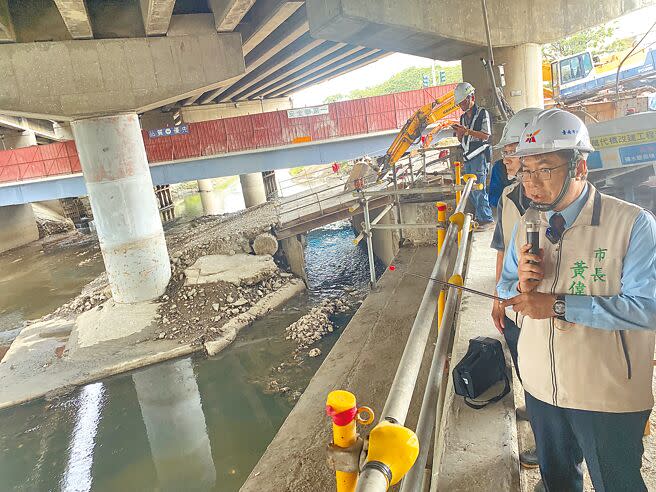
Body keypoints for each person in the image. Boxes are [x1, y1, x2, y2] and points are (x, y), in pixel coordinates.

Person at [498, 108, 656, 492]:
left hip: (605, 391)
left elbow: (648, 308)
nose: (532, 183)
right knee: (558, 482)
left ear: (580, 167)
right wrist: (519, 288)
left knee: (616, 483)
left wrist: (559, 304)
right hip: (541, 388)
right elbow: (503, 292)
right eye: (526, 170)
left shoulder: (632, 224)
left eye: (545, 169)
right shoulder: (526, 223)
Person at [489, 107, 543, 471]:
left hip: (545, 310)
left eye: (513, 151)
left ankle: (547, 441)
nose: (508, 159)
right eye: (508, 152)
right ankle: (539, 418)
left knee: (546, 372)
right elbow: (501, 249)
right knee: (525, 365)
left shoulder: (558, 205)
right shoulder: (509, 198)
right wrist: (498, 298)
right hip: (514, 305)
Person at [452, 82, 494, 230]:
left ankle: (486, 219)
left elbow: (486, 135)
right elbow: (461, 139)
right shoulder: (463, 118)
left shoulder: (483, 113)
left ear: (471, 98)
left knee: (479, 187)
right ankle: (481, 217)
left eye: (463, 102)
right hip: (468, 157)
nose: (461, 106)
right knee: (470, 190)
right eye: (460, 104)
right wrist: (460, 133)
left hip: (479, 156)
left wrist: (467, 131)